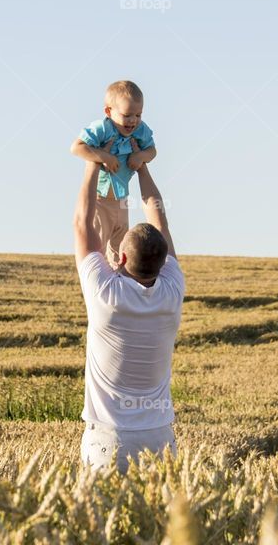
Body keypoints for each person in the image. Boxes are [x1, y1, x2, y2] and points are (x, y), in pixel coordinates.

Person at [72, 156, 185, 474]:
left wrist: (92, 162)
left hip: (108, 439)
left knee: (95, 523)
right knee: (160, 523)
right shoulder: (172, 291)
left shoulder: (105, 294)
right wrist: (142, 166)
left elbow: (83, 223)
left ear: (120, 256)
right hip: (160, 438)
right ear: (163, 263)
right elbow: (160, 222)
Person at [70, 80, 157, 268]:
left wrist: (141, 156)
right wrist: (103, 157)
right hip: (100, 200)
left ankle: (120, 279)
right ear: (109, 112)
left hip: (122, 199)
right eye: (127, 115)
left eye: (138, 114)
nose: (133, 120)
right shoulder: (101, 129)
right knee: (97, 246)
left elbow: (152, 151)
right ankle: (99, 280)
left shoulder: (140, 130)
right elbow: (76, 148)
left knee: (121, 247)